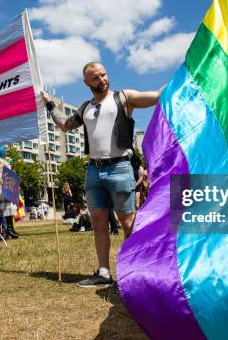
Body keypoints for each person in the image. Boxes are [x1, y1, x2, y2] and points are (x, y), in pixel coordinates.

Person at [41, 61, 160, 288]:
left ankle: (138, 270)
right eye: (95, 77)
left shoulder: (124, 98)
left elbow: (155, 97)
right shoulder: (85, 108)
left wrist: (185, 73)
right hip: (93, 171)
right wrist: (48, 103)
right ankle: (103, 273)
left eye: (103, 74)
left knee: (127, 222)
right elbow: (64, 125)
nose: (102, 79)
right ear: (86, 82)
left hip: (120, 168)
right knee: (97, 223)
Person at [0, 146, 18, 239]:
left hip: (8, 184)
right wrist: (0, 178)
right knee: (0, 209)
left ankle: (9, 230)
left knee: (9, 207)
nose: (6, 151)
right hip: (1, 184)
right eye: (5, 149)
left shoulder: (5, 160)